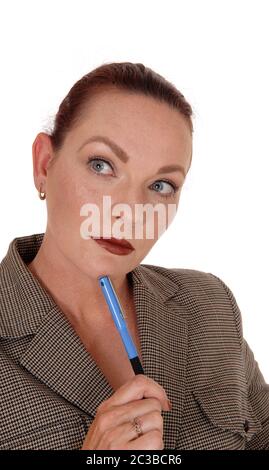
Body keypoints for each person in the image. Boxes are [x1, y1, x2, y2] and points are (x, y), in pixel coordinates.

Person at [0, 62, 268, 451]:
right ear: (44, 164)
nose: (129, 211)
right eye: (102, 165)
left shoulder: (210, 306)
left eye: (161, 185)